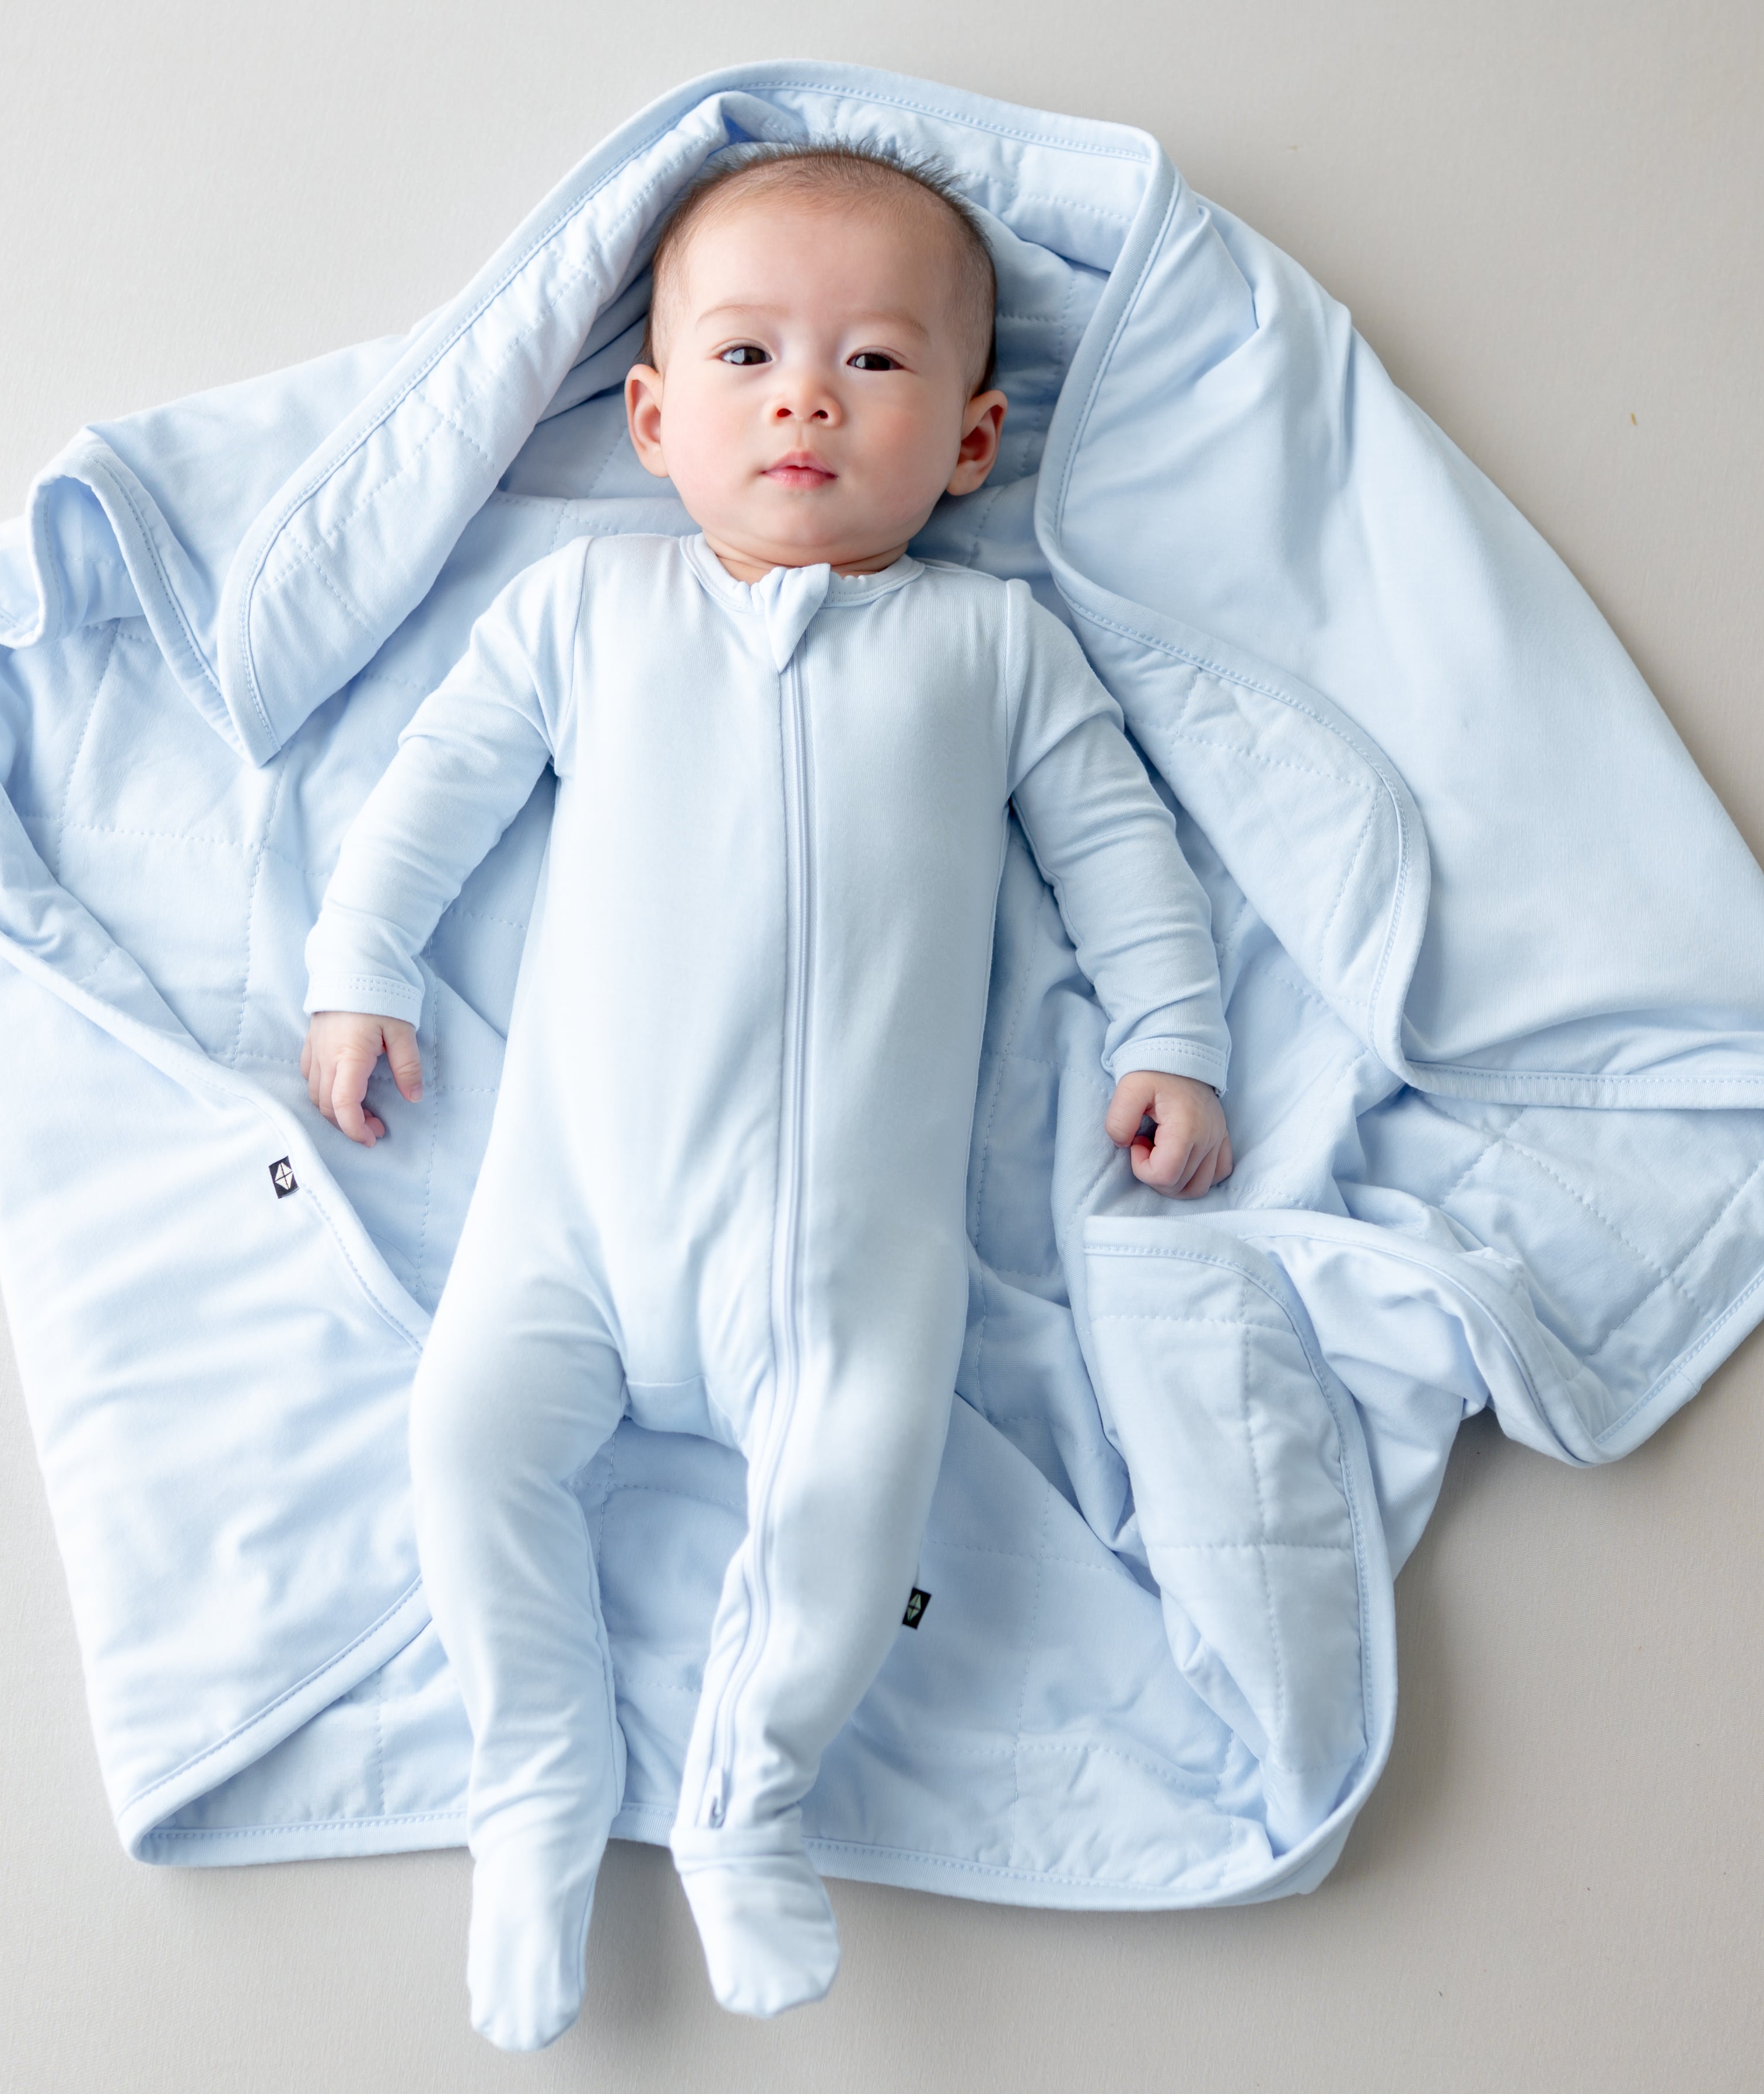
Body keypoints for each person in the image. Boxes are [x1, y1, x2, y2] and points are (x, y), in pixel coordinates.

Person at [298, 141, 1234, 2050]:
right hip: (569, 1228)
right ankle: (535, 1786)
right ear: (651, 416)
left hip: (844, 1275)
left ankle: (748, 1798)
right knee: (466, 1453)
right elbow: (437, 782)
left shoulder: (994, 647)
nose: (806, 395)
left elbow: (1123, 850)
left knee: (854, 1518)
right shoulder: (587, 613)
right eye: (746, 357)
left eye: (875, 365)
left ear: (972, 445)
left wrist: (1173, 1032)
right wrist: (359, 968)